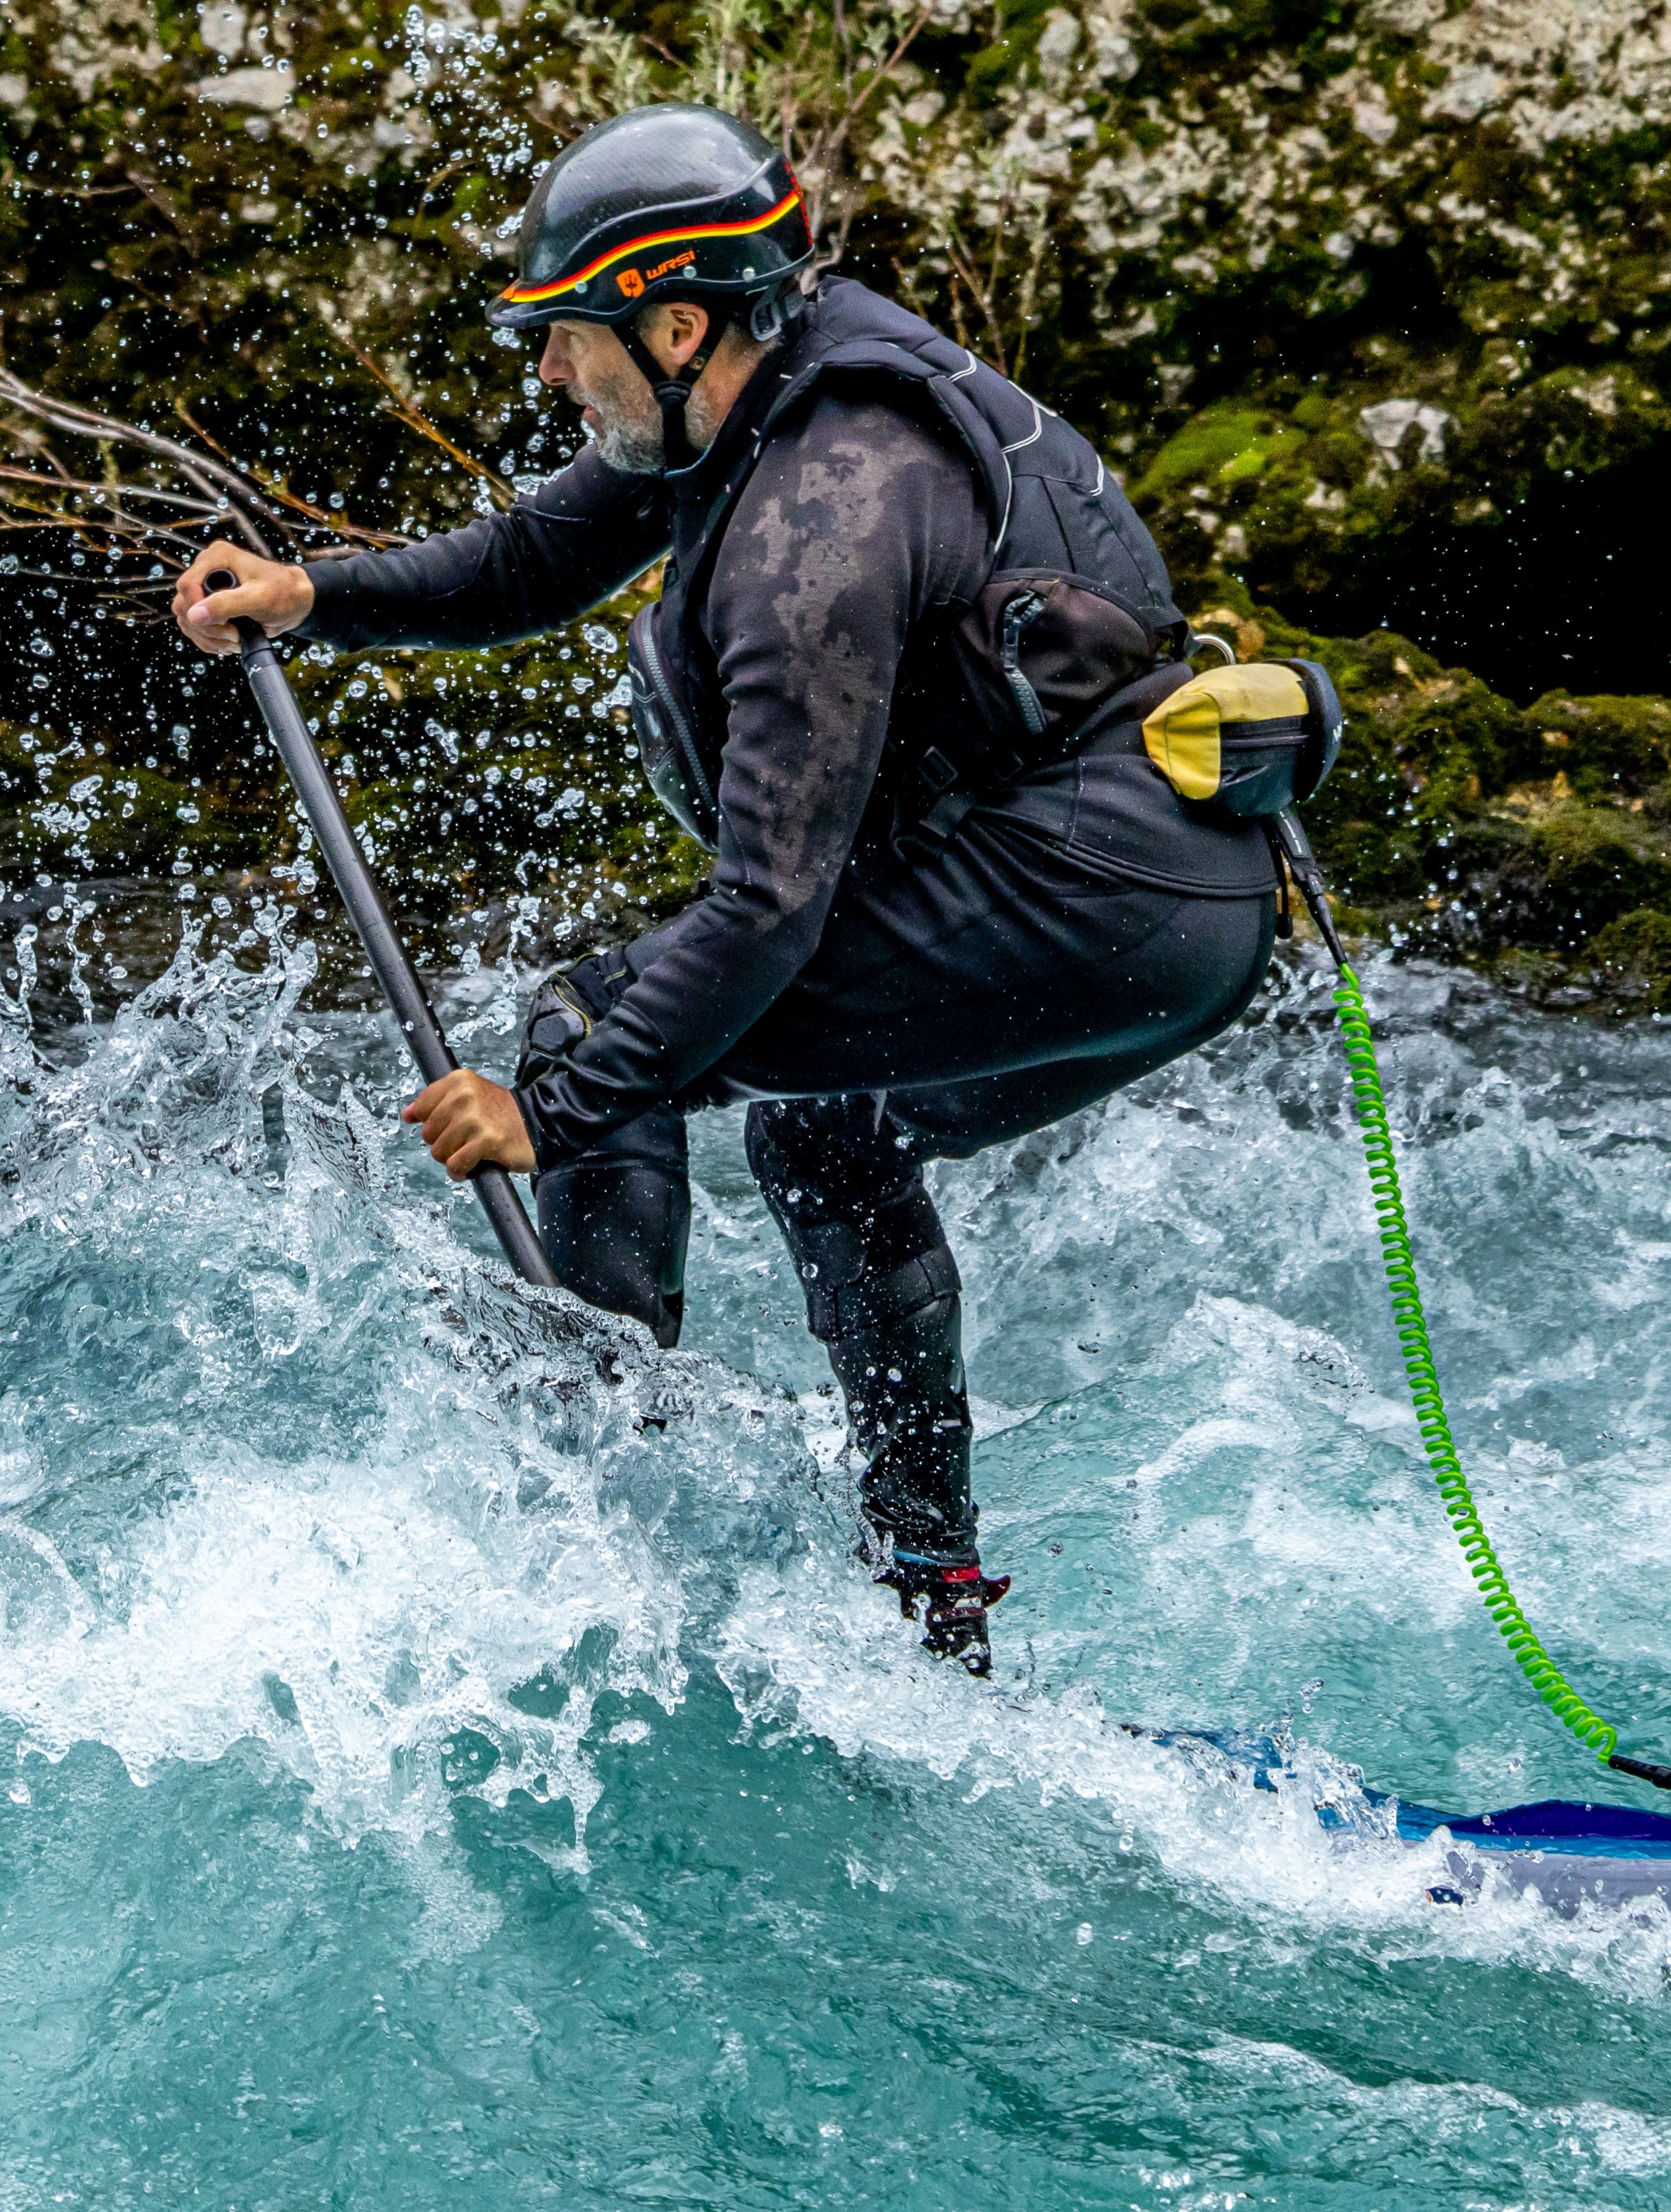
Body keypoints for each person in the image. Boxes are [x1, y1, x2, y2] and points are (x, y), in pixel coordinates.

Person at [176, 104, 1278, 1677]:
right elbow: (537, 559)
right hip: (1163, 903)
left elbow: (769, 901)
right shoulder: (756, 386)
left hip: (1102, 902)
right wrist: (316, 598)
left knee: (599, 1035)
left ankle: (580, 1540)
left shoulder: (821, 524)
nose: (550, 372)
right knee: (821, 1128)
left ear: (677, 320)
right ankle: (933, 1600)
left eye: (570, 338)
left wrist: (555, 1102)